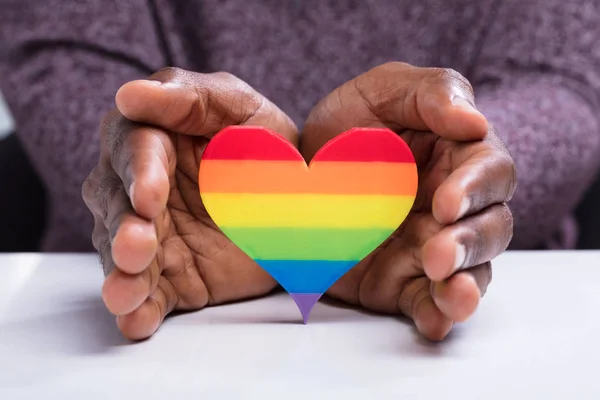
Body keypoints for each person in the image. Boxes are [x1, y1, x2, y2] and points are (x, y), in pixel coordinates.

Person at [0, 0, 598, 341]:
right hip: (154, 297)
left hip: (503, 311)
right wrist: (155, 160)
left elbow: (568, 79)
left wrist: (452, 159)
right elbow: (60, 62)